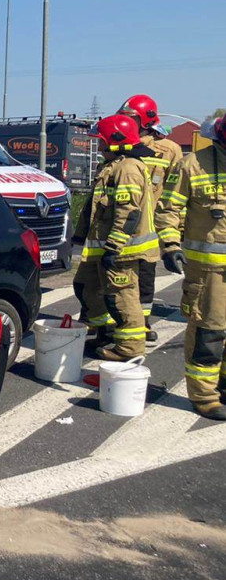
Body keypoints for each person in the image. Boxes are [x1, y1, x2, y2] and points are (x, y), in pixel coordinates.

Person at [153, 115, 226, 420]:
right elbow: (168, 208)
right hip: (209, 273)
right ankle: (205, 395)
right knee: (210, 333)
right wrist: (170, 246)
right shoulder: (193, 164)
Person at [71, 114, 160, 361]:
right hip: (103, 246)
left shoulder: (128, 169)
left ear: (116, 141)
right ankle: (105, 333)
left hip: (122, 250)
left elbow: (128, 212)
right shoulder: (113, 165)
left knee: (121, 297)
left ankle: (129, 349)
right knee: (86, 286)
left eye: (101, 141)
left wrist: (114, 247)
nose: (97, 145)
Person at [119, 95, 184, 343]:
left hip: (151, 228)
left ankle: (142, 323)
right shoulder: (122, 143)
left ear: (145, 120)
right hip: (121, 224)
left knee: (145, 276)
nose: (126, 121)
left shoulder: (170, 150)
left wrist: (175, 234)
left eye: (131, 117)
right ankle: (118, 321)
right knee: (117, 277)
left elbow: (175, 193)